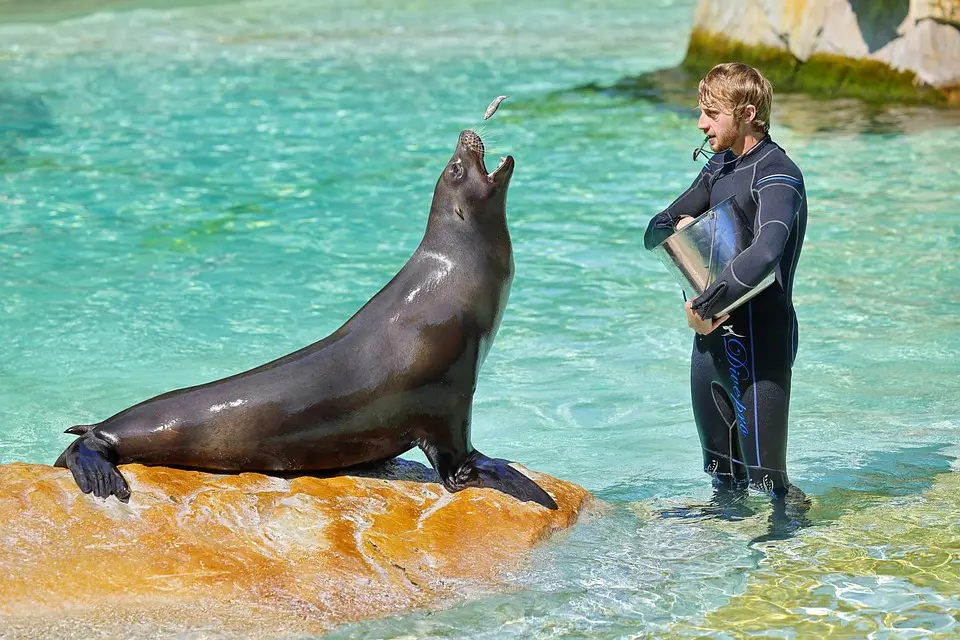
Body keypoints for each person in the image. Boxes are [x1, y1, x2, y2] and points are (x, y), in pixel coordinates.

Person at [643, 62, 807, 509]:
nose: (701, 123)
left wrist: (705, 305)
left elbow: (768, 250)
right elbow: (655, 229)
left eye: (712, 113)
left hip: (761, 344)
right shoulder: (719, 167)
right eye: (702, 111)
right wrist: (684, 229)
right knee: (722, 483)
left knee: (771, 489)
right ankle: (718, 574)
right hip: (709, 346)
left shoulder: (778, 175)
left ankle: (785, 566)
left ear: (748, 112)